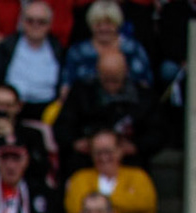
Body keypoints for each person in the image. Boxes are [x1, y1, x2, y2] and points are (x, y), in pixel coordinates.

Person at [53, 46, 167, 178]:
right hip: (86, 162)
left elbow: (159, 132)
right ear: (98, 72)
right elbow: (62, 126)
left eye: (115, 79)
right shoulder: (81, 93)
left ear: (126, 72)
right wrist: (75, 143)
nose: (111, 84)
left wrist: (136, 146)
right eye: (106, 79)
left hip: (130, 163)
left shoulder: (144, 97)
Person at [0, 0, 63, 113]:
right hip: (11, 108)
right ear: (22, 22)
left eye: (41, 22)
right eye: (30, 21)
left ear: (50, 24)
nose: (35, 25)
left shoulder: (58, 49)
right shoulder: (6, 46)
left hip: (48, 109)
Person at [0, 81, 54, 191]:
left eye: (8, 105)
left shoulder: (33, 135)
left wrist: (12, 138)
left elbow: (41, 169)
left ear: (18, 106)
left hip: (27, 194)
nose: (2, 110)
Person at [59, 0, 152, 88]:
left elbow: (146, 84)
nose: (103, 28)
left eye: (109, 23)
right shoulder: (77, 52)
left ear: (117, 23)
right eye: (98, 24)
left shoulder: (133, 49)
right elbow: (67, 85)